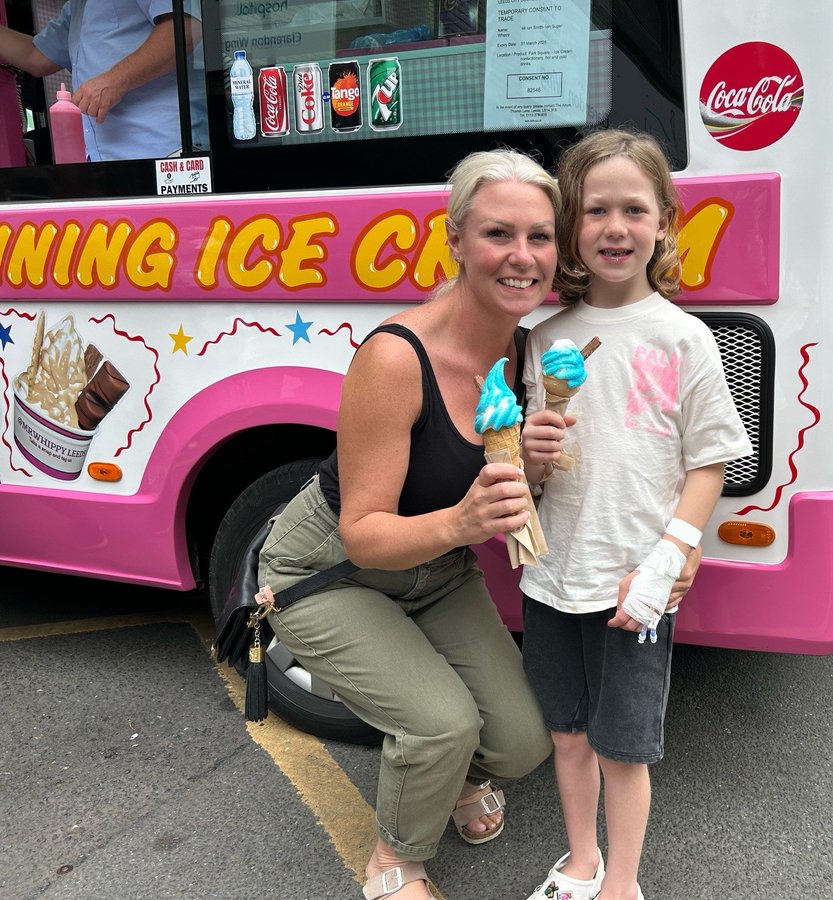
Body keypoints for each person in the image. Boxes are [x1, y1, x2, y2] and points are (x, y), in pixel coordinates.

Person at [255, 149, 560, 900]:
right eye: (498, 234)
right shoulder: (395, 358)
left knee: (522, 744)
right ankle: (393, 858)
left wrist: (538, 468)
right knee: (441, 724)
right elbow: (362, 531)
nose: (522, 257)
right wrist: (464, 519)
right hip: (331, 571)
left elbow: (501, 484)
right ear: (455, 239)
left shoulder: (526, 349)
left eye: (541, 236)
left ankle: (455, 779)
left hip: (436, 568)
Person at [518, 129, 752, 900]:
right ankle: (580, 860)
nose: (614, 227)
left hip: (634, 582)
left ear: (662, 224)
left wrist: (672, 551)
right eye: (595, 211)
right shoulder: (546, 338)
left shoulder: (683, 338)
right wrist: (531, 452)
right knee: (566, 733)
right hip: (552, 573)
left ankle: (622, 883)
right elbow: (530, 475)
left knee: (624, 748)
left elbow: (709, 459)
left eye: (633, 209)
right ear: (571, 227)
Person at [0, 0, 200, 161]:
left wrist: (115, 81)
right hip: (106, 159)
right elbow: (37, 57)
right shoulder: (77, 7)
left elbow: (187, 27)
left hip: (166, 151)